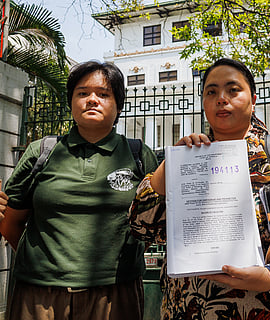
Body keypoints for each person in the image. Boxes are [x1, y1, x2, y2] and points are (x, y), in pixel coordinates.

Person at [129, 58, 270, 319]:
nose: (222, 98)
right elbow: (140, 226)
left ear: (253, 99)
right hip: (188, 308)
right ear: (203, 103)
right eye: (211, 92)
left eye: (233, 90)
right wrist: (172, 164)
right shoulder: (186, 155)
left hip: (266, 308)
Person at [0, 61, 158, 320]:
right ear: (71, 102)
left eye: (103, 94)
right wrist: (47, 262)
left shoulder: (138, 155)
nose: (92, 100)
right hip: (40, 296)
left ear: (118, 105)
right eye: (82, 93)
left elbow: (157, 220)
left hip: (116, 294)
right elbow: (11, 222)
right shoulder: (42, 152)